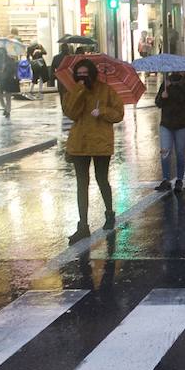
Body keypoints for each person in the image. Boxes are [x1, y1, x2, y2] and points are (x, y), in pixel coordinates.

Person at [62, 58, 124, 242]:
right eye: (79, 74)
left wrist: (103, 111)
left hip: (100, 143)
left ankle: (109, 213)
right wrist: (80, 90)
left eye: (85, 74)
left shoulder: (106, 90)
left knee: (101, 179)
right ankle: (83, 225)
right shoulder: (73, 91)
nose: (82, 77)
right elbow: (71, 113)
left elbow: (119, 113)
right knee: (82, 184)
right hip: (79, 144)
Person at [155, 70, 185, 193]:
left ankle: (179, 180)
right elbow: (158, 102)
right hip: (166, 123)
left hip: (182, 124)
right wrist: (162, 96)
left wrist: (174, 87)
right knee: (165, 152)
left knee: (180, 153)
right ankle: (166, 179)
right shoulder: (166, 83)